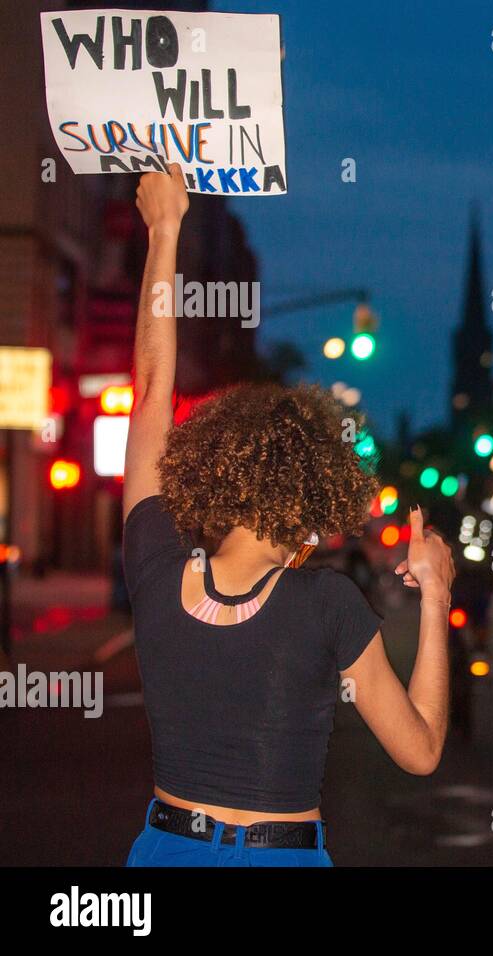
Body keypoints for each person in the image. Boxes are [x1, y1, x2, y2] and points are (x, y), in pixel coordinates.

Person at [121, 166, 455, 867]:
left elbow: (151, 390)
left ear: (213, 471)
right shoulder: (326, 603)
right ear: (312, 497)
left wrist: (165, 231)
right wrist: (436, 598)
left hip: (164, 850)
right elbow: (420, 749)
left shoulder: (154, 563)